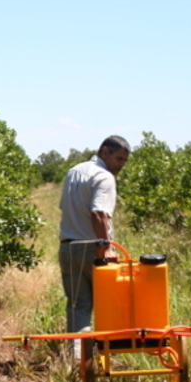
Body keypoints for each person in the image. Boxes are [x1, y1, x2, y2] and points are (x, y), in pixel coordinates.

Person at [58, 135, 131, 337]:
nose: (121, 165)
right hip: (93, 249)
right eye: (119, 159)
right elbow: (99, 213)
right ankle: (106, 350)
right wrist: (106, 247)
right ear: (105, 151)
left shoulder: (73, 172)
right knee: (108, 304)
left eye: (124, 161)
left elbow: (64, 206)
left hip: (68, 247)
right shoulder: (104, 176)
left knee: (77, 306)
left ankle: (79, 358)